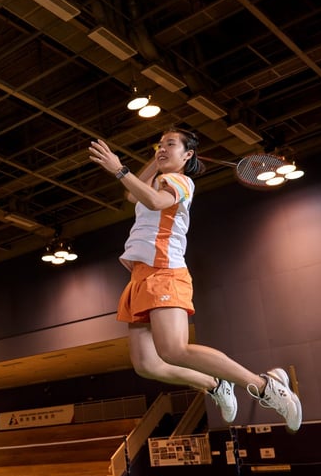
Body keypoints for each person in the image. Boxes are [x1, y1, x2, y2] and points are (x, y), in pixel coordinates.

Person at [87, 127, 302, 432]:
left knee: (174, 350)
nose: (162, 148)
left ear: (188, 154)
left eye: (170, 144)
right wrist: (157, 158)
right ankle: (215, 384)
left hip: (164, 271)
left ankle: (266, 386)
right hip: (140, 277)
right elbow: (132, 194)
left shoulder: (180, 181)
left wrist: (119, 169)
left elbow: (154, 201)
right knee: (146, 364)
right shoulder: (160, 178)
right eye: (159, 144)